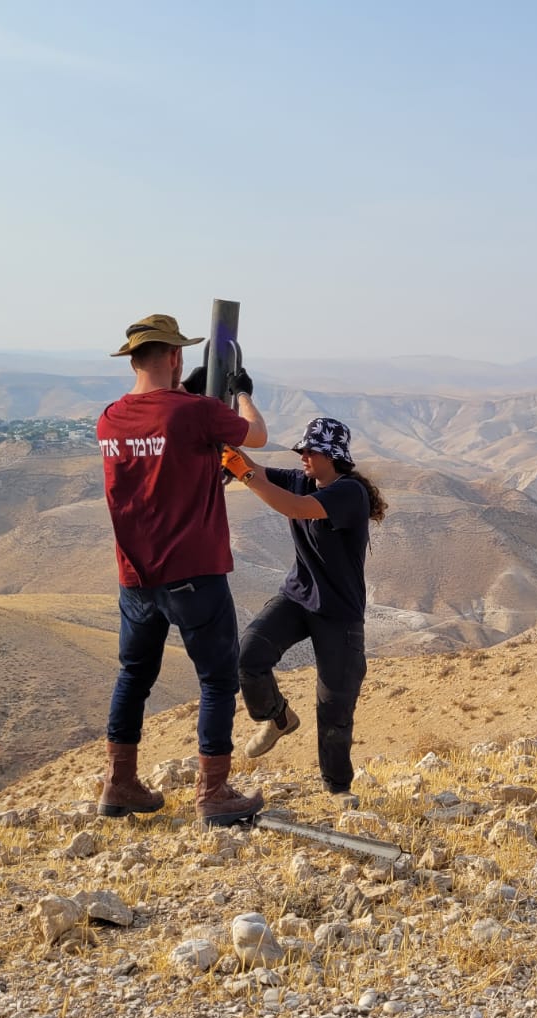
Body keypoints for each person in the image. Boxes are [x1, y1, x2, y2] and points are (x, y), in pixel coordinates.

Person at [95, 313, 269, 825]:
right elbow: (255, 436)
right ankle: (213, 794)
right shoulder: (192, 414)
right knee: (216, 681)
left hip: (135, 577)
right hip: (194, 571)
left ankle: (119, 782)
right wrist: (240, 393)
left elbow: (163, 462)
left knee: (133, 677)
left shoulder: (109, 417)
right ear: (174, 357)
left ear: (132, 358)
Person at [220, 417, 387, 800]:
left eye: (311, 450)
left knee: (334, 708)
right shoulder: (303, 478)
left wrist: (243, 474)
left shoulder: (347, 494)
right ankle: (277, 718)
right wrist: (227, 448)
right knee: (249, 654)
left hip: (339, 613)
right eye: (302, 450)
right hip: (298, 596)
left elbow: (294, 508)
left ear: (332, 456)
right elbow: (258, 469)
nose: (303, 456)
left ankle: (338, 790)